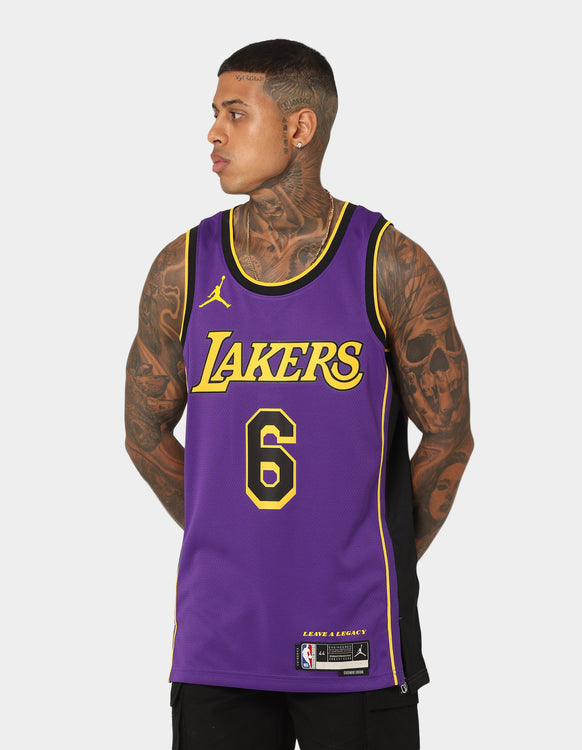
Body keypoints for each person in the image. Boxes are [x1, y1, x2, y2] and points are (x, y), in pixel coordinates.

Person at [125, 39, 473, 750]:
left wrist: (378, 556)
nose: (213, 133)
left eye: (235, 113)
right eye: (213, 113)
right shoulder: (182, 269)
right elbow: (144, 429)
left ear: (299, 127)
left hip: (355, 635)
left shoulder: (390, 265)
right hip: (220, 640)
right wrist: (228, 537)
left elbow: (448, 436)